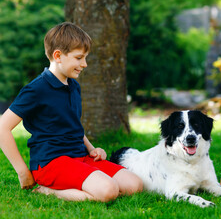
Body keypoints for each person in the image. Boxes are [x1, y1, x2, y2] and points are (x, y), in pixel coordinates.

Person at [0, 22, 143, 202]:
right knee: (109, 191)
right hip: (51, 163)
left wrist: (91, 149)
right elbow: (2, 128)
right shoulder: (36, 90)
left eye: (85, 58)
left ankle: (89, 186)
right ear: (58, 55)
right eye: (79, 58)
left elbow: (72, 124)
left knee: (134, 185)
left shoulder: (73, 86)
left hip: (80, 157)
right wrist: (22, 172)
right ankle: (47, 190)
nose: (84, 64)